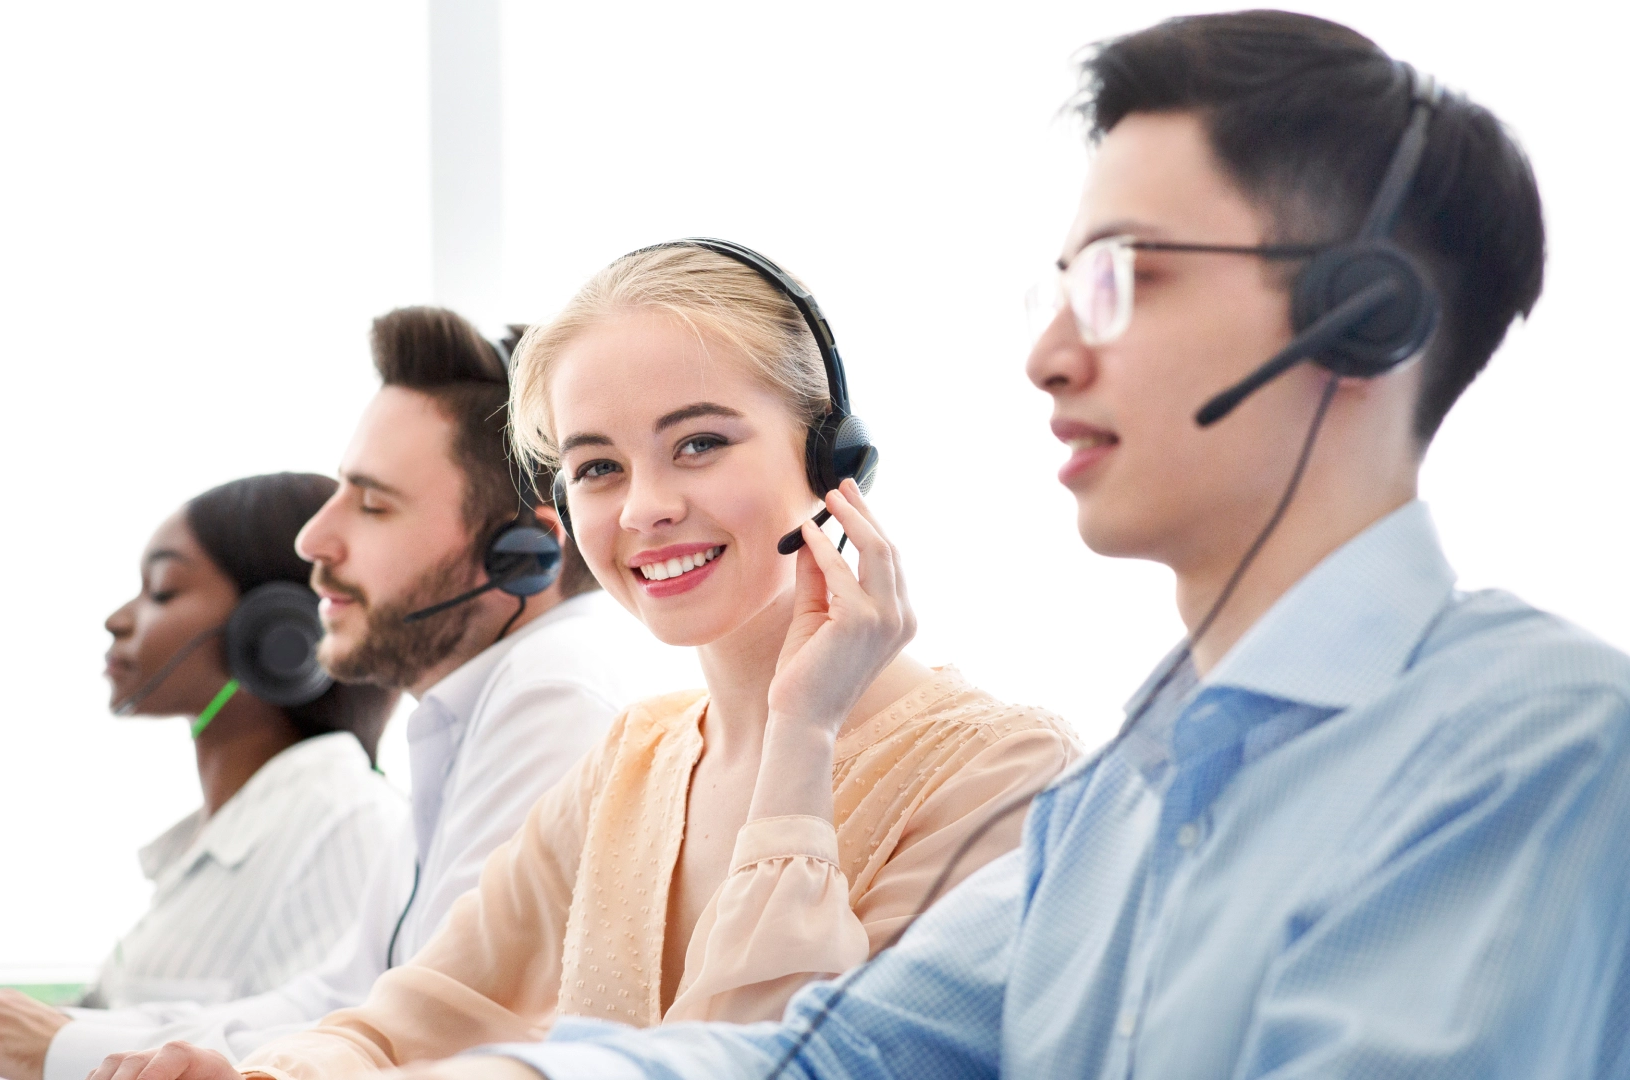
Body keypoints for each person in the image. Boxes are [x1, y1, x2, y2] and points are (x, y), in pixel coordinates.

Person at [398, 12, 1630, 1080]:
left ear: (1358, 320)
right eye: (1063, 287)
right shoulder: (1113, 805)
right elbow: (826, 1056)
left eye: (1125, 277)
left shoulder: (1534, 740)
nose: (1046, 357)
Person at [82, 242, 1081, 1080]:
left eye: (699, 444)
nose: (643, 507)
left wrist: (802, 733)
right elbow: (403, 1020)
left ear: (834, 459)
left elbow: (766, 1061)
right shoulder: (632, 762)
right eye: (598, 466)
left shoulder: (1004, 777)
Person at [0, 308, 677, 1080]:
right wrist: (48, 1034)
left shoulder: (556, 689)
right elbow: (345, 1000)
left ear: (521, 557)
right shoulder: (474, 712)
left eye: (373, 505)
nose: (313, 539)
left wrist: (55, 1049)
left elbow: (452, 1032)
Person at [0, 473, 408, 1028]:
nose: (117, 620)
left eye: (162, 590)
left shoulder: (346, 823)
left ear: (281, 636)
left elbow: (329, 1047)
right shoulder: (210, 843)